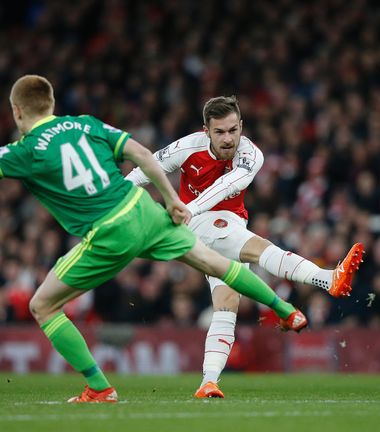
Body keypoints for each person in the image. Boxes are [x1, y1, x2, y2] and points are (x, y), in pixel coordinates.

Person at [0, 75, 309, 402]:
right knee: (217, 265)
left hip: (109, 230)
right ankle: (286, 311)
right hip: (145, 212)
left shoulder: (25, 150)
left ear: (17, 112)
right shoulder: (84, 123)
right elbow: (140, 152)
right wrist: (172, 199)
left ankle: (99, 386)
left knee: (42, 305)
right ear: (51, 102)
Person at [126, 96, 364, 398]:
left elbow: (226, 187)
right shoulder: (187, 147)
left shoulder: (252, 155)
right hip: (200, 224)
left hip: (216, 218)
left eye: (233, 130)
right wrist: (121, 198)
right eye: (220, 132)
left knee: (227, 304)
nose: (228, 138)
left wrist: (189, 209)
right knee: (257, 247)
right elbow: (145, 168)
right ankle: (327, 279)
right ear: (206, 131)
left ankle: (208, 382)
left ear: (241, 126)